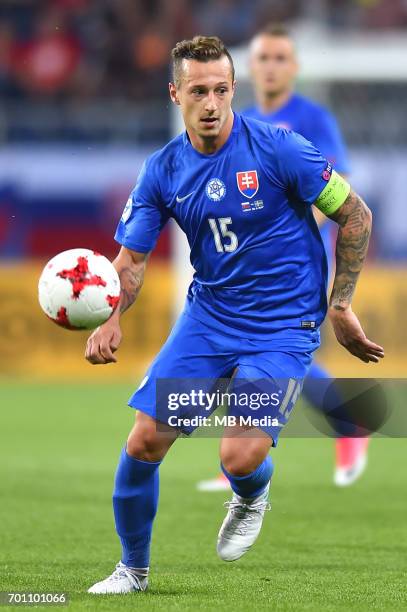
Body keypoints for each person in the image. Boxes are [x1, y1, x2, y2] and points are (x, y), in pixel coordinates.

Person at [85, 36, 384, 594]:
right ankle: (133, 569)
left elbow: (356, 213)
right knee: (144, 440)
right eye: (198, 91)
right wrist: (110, 315)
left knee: (240, 456)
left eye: (221, 90)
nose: (211, 103)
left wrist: (339, 303)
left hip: (283, 325)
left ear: (233, 90)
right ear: (176, 93)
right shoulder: (162, 171)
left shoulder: (280, 148)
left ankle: (251, 493)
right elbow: (131, 260)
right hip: (209, 321)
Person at [197, 25, 368, 492]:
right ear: (249, 68)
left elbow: (341, 187)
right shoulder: (238, 119)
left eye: (280, 58)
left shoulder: (311, 119)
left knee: (272, 348)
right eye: (263, 58)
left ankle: (348, 423)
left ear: (293, 68)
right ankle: (242, 454)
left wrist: (287, 229)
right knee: (241, 354)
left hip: (292, 263)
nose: (270, 66)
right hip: (243, 265)